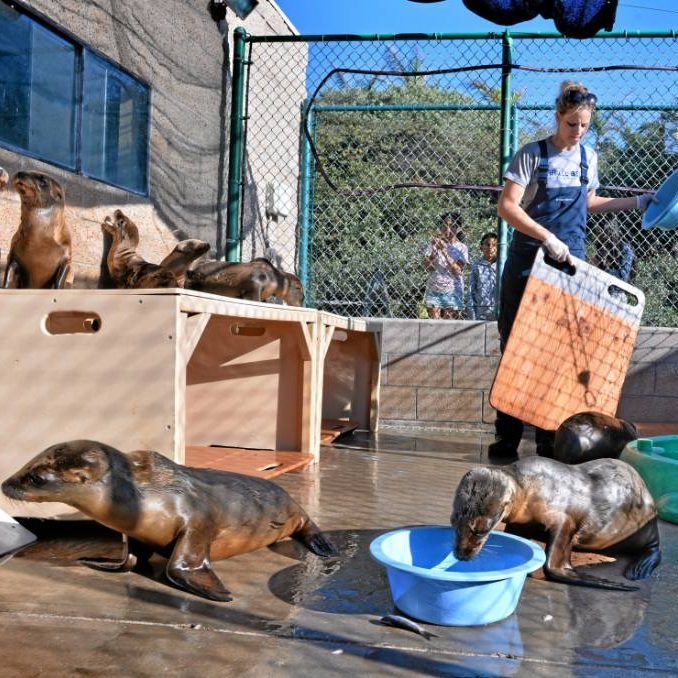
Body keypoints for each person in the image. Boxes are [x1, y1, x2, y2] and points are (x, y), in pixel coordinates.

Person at [491, 80, 655, 459]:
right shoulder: (531, 155)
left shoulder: (588, 158)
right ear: (558, 116)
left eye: (584, 126)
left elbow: (589, 202)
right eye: (571, 125)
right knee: (516, 348)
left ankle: (550, 438)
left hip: (569, 267)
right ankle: (507, 438)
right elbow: (508, 207)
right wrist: (546, 236)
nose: (577, 132)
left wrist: (636, 201)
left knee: (557, 353)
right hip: (529, 262)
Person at [423, 211, 470, 319]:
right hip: (434, 288)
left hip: (453, 290)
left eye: (452, 226)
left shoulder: (462, 248)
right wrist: (434, 251)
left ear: (458, 228)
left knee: (449, 324)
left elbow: (457, 270)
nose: (448, 229)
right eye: (444, 226)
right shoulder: (433, 244)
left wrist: (444, 250)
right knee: (433, 324)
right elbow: (426, 266)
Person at [468, 231, 498, 320]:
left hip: (499, 313)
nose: (490, 248)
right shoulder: (477, 266)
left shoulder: (502, 265)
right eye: (487, 244)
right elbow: (471, 290)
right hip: (481, 314)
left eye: (494, 245)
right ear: (481, 247)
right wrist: (472, 314)